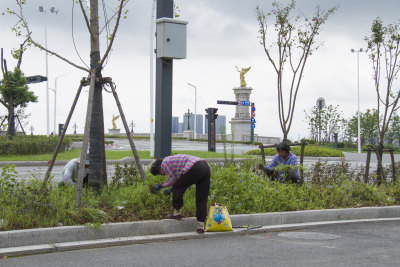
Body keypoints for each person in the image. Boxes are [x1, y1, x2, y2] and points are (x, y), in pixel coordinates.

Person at [149, 154, 211, 234]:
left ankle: (177, 213)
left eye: (159, 173)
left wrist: (161, 186)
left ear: (159, 168)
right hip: (205, 166)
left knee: (176, 188)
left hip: (195, 166)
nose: (161, 174)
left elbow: (173, 181)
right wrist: (173, 187)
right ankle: (201, 226)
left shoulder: (164, 164)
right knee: (202, 198)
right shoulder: (171, 161)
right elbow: (183, 180)